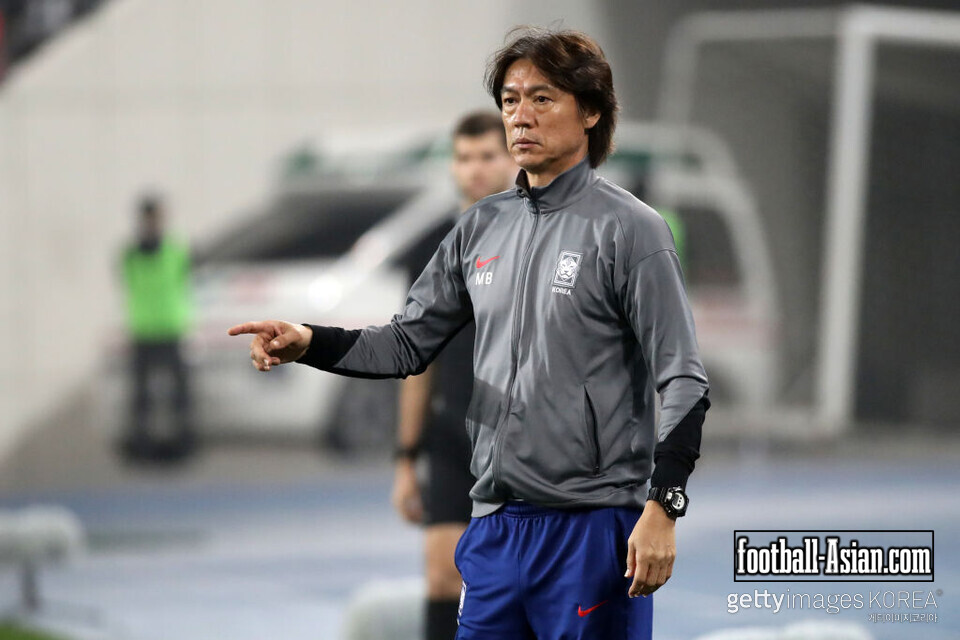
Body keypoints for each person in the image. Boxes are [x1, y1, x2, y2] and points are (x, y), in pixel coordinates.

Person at [229, 27, 710, 639]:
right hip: (495, 528)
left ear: (590, 111)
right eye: (510, 100)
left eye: (542, 98)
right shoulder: (478, 228)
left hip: (592, 530)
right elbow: (406, 343)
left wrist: (663, 506)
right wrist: (309, 340)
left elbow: (684, 379)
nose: (520, 116)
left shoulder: (631, 230)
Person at [391, 111, 517, 640]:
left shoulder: (537, 239)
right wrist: (405, 458)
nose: (475, 169)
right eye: (464, 158)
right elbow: (416, 359)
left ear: (512, 158)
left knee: (515, 584)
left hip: (519, 444)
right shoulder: (433, 251)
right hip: (450, 439)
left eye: (488, 156)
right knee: (443, 575)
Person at [119, 193, 196, 461]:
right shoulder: (130, 255)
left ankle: (181, 447)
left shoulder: (175, 252)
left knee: (179, 396)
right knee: (142, 399)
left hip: (171, 330)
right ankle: (143, 448)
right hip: (143, 332)